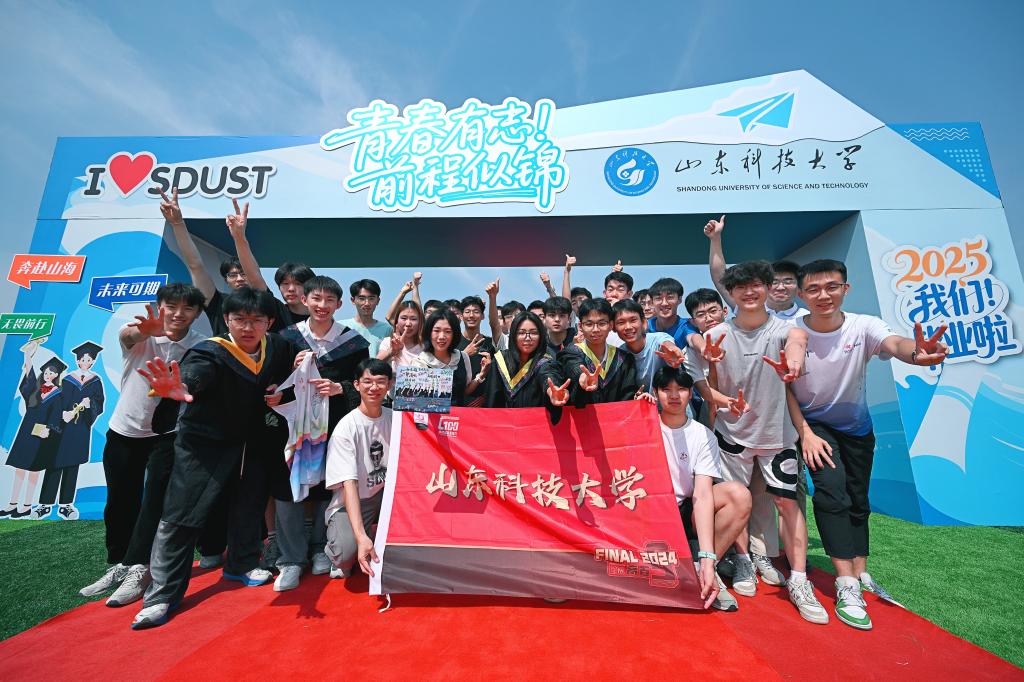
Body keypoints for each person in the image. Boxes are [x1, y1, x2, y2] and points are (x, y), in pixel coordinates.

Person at [787, 259, 948, 630]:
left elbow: (895, 343)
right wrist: (805, 432)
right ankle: (846, 584)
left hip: (857, 427)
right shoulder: (792, 329)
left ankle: (861, 572)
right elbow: (788, 374)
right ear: (802, 295)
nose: (823, 295)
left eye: (831, 286)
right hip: (814, 426)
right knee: (831, 493)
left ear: (846, 288)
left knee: (858, 500)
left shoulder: (864, 325)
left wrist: (915, 353)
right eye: (813, 289)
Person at [131, 287, 297, 630]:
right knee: (181, 515)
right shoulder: (209, 352)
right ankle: (161, 596)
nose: (248, 327)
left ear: (269, 322)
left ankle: (242, 563)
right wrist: (184, 387)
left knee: (249, 503)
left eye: (256, 320)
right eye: (239, 319)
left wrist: (292, 378)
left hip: (250, 441)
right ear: (226, 320)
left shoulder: (277, 346)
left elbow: (292, 367)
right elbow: (195, 375)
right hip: (203, 443)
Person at [691, 260, 828, 625]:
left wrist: (793, 364)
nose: (749, 292)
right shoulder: (717, 334)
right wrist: (700, 348)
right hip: (732, 436)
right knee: (739, 501)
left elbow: (798, 342)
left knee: (787, 505)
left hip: (777, 436)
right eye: (741, 287)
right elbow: (696, 355)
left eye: (756, 286)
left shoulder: (785, 329)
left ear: (768, 288)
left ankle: (799, 579)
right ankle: (743, 561)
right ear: (730, 294)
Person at [79, 286, 214, 607]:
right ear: (159, 306)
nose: (178, 313)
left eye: (188, 308)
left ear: (197, 313)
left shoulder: (201, 344)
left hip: (168, 434)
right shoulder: (141, 333)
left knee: (154, 501)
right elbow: (127, 337)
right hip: (124, 430)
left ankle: (139, 567)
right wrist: (145, 332)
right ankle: (119, 563)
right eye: (171, 306)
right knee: (119, 501)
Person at [274, 276, 368, 591]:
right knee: (289, 487)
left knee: (329, 485)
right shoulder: (286, 339)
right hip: (294, 428)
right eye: (316, 298)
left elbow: (364, 382)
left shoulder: (352, 343)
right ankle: (290, 559)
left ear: (339, 305)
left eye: (329, 300)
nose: (322, 305)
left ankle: (320, 548)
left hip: (334, 425)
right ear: (304, 300)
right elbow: (272, 382)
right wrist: (290, 368)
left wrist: (340, 387)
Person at [652, 366, 752, 612]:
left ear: (690, 393)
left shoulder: (702, 435)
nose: (673, 396)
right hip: (650, 511)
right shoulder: (643, 425)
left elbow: (703, 493)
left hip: (684, 510)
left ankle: (705, 568)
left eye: (681, 389)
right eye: (666, 389)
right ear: (655, 393)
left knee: (739, 495)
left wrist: (708, 557)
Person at [324, 359, 394, 579]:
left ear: (390, 384)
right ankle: (337, 544)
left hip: (386, 495)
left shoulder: (395, 418)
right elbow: (349, 485)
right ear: (356, 385)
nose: (374, 387)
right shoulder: (346, 428)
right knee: (346, 554)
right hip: (354, 499)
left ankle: (376, 533)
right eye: (368, 381)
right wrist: (360, 536)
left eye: (380, 381)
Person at [161, 188, 248, 336]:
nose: (239, 279)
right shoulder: (218, 302)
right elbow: (195, 266)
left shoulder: (268, 301)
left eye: (244, 273)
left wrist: (240, 237)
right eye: (232, 275)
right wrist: (177, 223)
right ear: (226, 280)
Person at [35, 341, 105, 520]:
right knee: (54, 463)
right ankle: (45, 504)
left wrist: (90, 405)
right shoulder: (66, 379)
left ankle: (65, 505)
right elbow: (56, 401)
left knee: (72, 465)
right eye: (82, 359)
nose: (85, 362)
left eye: (88, 360)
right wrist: (62, 413)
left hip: (80, 429)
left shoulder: (96, 381)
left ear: (93, 361)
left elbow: (99, 403)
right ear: (77, 360)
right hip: (61, 427)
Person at [0, 348, 66, 519]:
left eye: (52, 372)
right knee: (20, 468)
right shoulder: (36, 389)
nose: (48, 374)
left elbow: (57, 416)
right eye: (47, 372)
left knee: (33, 470)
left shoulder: (58, 394)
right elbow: (29, 377)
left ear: (57, 375)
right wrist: (28, 356)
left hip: (41, 434)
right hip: (26, 431)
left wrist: (49, 429)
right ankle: (12, 503)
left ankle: (27, 505)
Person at [704, 214, 805, 320]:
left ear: (799, 287)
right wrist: (715, 238)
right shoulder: (749, 308)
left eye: (788, 282)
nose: (780, 287)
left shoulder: (806, 318)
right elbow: (721, 279)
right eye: (775, 282)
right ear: (767, 286)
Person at [556, 298, 640, 406]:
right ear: (580, 326)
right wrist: (582, 376)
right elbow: (573, 365)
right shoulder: (569, 353)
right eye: (589, 324)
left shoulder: (624, 359)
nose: (595, 329)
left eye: (602, 323)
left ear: (611, 325)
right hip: (581, 416)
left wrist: (638, 397)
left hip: (616, 416)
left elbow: (628, 396)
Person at [484, 312, 561, 409]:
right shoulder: (500, 360)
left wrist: (552, 390)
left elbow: (548, 376)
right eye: (521, 333)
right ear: (513, 335)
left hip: (533, 418)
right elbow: (492, 401)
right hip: (503, 418)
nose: (527, 338)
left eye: (533, 333)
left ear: (541, 336)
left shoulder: (545, 362)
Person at [414, 309, 489, 407]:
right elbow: (416, 402)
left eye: (448, 331)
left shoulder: (463, 357)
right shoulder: (419, 362)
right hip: (430, 416)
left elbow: (464, 392)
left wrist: (481, 375)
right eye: (436, 331)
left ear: (455, 334)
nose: (442, 336)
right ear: (429, 333)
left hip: (458, 416)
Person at [612, 299, 685, 392]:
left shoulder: (658, 339)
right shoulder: (619, 355)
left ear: (644, 323)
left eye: (633, 320)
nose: (628, 327)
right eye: (621, 323)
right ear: (613, 328)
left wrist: (672, 350)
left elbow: (666, 343)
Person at [456, 296, 496, 407]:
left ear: (482, 316)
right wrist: (464, 354)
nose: (471, 315)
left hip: (485, 406)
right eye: (467, 312)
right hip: (458, 405)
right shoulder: (453, 342)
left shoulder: (491, 344)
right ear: (461, 316)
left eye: (476, 312)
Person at [340, 279, 392, 357]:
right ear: (353, 300)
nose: (367, 303)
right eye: (362, 298)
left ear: (378, 301)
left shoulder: (387, 329)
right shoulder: (341, 326)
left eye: (371, 298)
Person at [647, 277, 698, 349]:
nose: (664, 303)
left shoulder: (686, 325)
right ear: (652, 302)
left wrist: (703, 348)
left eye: (670, 297)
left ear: (679, 299)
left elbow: (693, 337)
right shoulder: (646, 327)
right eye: (658, 298)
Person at [378, 301, 425, 371]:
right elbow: (374, 365)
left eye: (413, 319)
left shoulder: (427, 346)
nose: (408, 324)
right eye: (404, 318)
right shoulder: (388, 342)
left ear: (420, 322)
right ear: (397, 320)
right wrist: (391, 352)